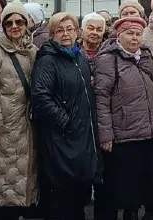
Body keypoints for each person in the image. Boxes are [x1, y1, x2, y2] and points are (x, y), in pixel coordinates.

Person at [32, 12, 100, 220]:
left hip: (81, 136)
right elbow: (40, 97)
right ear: (52, 35)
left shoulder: (78, 57)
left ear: (77, 32)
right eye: (59, 30)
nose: (65, 34)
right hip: (60, 137)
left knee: (78, 194)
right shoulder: (48, 60)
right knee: (61, 196)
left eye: (70, 29)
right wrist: (65, 122)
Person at [94, 16, 153, 220]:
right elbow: (102, 98)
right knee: (120, 188)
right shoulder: (108, 59)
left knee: (140, 187)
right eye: (129, 33)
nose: (134, 38)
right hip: (123, 135)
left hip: (147, 134)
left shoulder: (147, 57)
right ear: (119, 36)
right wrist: (105, 134)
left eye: (138, 34)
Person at [0, 2, 39, 216]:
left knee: (22, 177)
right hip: (2, 127)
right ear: (3, 26)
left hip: (26, 125)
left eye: (19, 21)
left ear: (26, 24)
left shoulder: (32, 50)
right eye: (9, 22)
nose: (15, 26)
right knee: (2, 180)